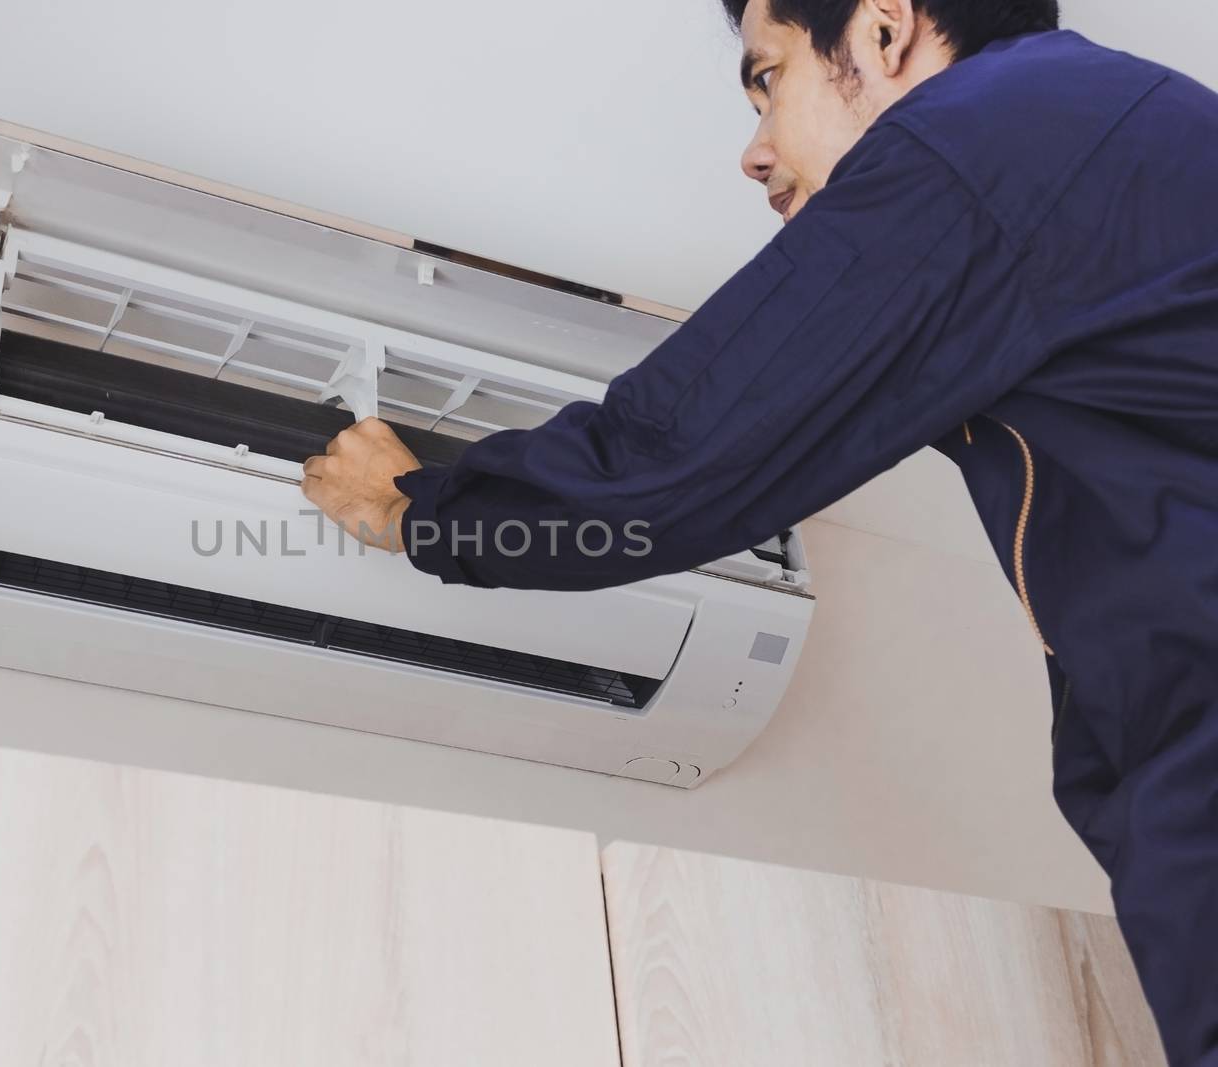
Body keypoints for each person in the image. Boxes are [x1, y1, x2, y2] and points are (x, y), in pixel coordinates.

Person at [300, 0, 1218, 1060]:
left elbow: (681, 455)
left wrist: (427, 512)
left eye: (766, 76)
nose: (753, 151)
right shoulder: (1106, 141)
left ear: (881, 31)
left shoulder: (988, 133)